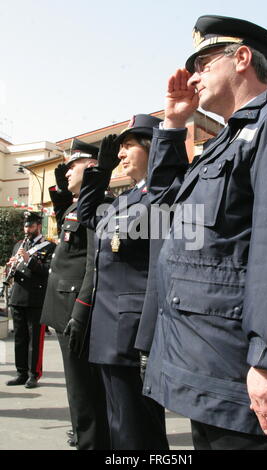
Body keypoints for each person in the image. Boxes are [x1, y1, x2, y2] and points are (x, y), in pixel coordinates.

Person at [142, 15, 267, 450]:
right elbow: (162, 210)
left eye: (204, 64)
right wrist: (173, 127)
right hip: (204, 365)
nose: (193, 77)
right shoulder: (221, 144)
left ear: (242, 58)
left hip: (242, 374)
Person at [77, 115, 169, 450]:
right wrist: (99, 172)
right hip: (108, 331)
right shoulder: (127, 198)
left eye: (129, 146)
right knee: (119, 426)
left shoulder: (160, 196)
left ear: (152, 148)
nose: (121, 154)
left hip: (132, 334)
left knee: (138, 432)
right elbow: (88, 215)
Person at [41, 139, 110, 450]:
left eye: (73, 166)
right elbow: (66, 229)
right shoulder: (76, 205)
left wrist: (81, 311)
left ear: (92, 167)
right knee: (77, 389)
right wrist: (58, 192)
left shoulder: (101, 204)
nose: (67, 172)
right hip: (62, 305)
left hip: (75, 309)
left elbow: (94, 263)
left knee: (85, 391)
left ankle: (91, 441)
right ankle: (84, 432)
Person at [6, 211, 56, 389]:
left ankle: (34, 374)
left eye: (31, 226)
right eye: (26, 226)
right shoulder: (19, 244)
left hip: (36, 299)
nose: (27, 229)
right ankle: (21, 372)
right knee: (20, 338)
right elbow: (14, 272)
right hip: (18, 296)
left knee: (35, 340)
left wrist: (29, 261)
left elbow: (48, 272)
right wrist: (10, 266)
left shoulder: (49, 247)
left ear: (38, 226)